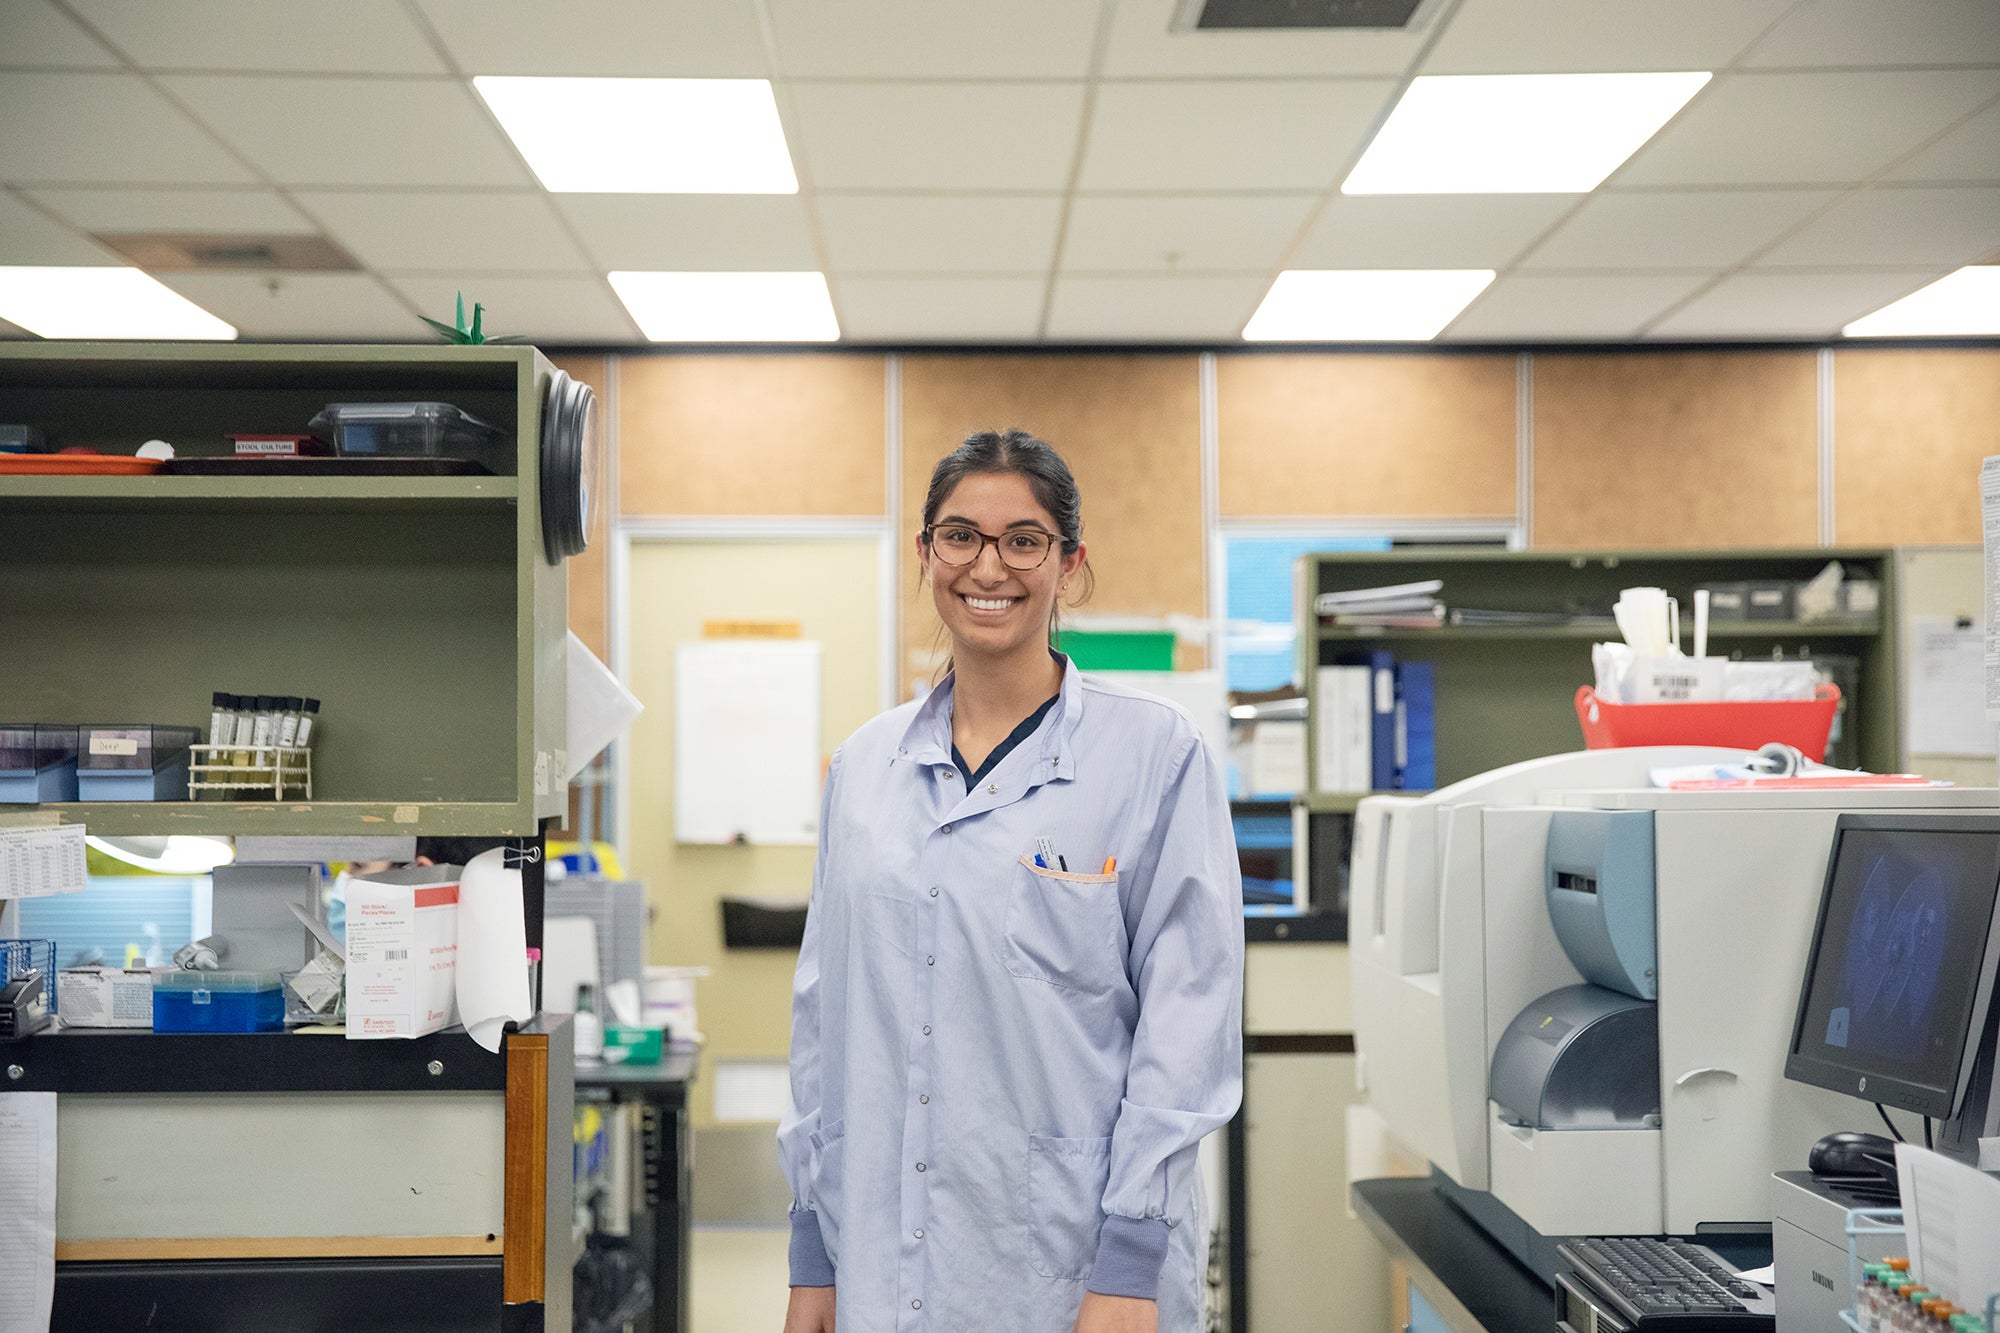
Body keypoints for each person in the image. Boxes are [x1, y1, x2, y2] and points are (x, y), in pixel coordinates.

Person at [778, 429, 1244, 1333]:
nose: (988, 565)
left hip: (1075, 1269)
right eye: (960, 536)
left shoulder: (1152, 754)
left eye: (1024, 539)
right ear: (925, 555)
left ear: (1069, 564)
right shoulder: (865, 768)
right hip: (881, 1257)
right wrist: (812, 1251)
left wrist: (1131, 1263)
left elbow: (1189, 1023)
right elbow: (823, 1021)